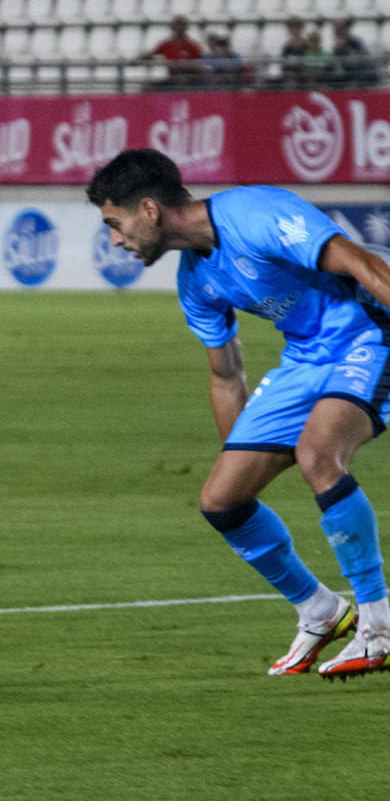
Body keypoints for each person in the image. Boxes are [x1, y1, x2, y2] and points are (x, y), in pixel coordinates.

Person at [87, 148, 390, 680]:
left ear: (150, 210)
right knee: (222, 500)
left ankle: (380, 624)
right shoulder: (195, 282)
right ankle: (320, 610)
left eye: (116, 223)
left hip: (369, 335)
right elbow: (226, 376)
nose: (115, 239)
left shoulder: (256, 215)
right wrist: (245, 460)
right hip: (305, 359)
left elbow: (363, 264)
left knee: (319, 453)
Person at [138, 15, 204, 89]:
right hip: (172, 79)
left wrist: (184, 66)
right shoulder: (167, 44)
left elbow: (198, 65)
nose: (179, 28)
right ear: (172, 28)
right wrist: (139, 58)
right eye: (177, 26)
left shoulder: (193, 45)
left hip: (190, 80)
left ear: (186, 28)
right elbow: (151, 53)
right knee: (147, 87)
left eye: (182, 26)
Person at [332, 18, 380, 88]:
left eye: (339, 29)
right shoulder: (338, 45)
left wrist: (347, 50)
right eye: (335, 29)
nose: (337, 32)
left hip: (365, 74)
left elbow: (357, 59)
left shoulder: (355, 41)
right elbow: (336, 61)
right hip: (351, 74)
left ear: (345, 29)